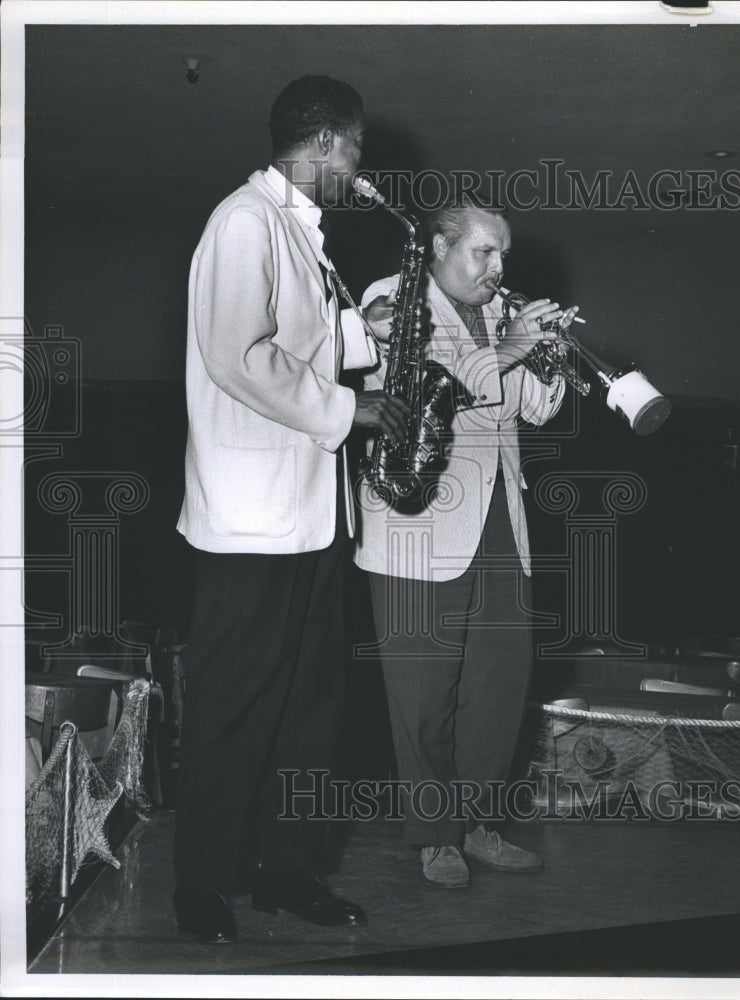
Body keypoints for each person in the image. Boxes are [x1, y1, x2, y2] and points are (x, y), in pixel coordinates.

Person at [172, 75, 408, 943]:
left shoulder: (300, 234)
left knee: (311, 713)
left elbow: (296, 340)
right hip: (250, 521)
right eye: (355, 149)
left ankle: (286, 869)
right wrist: (354, 409)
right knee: (235, 708)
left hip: (310, 518)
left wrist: (367, 329)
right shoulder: (243, 222)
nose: (360, 167)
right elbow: (239, 355)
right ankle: (201, 883)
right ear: (325, 143)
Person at [354, 202, 578, 888]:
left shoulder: (496, 314)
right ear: (440, 246)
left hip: (497, 524)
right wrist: (511, 343)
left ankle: (479, 826)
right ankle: (434, 835)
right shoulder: (391, 299)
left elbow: (537, 407)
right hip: (416, 524)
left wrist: (553, 353)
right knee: (423, 693)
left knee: (498, 684)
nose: (498, 268)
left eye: (502, 256)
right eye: (484, 252)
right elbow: (450, 383)